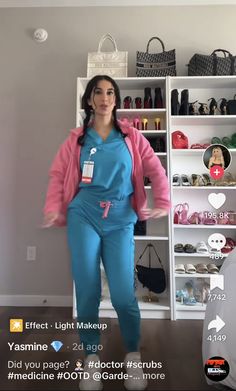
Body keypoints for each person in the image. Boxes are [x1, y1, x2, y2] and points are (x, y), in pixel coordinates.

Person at [43, 75, 171, 390]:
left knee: (123, 293)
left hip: (120, 219)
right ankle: (91, 357)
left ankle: (132, 356)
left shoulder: (132, 136)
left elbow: (155, 169)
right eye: (98, 92)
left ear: (116, 99)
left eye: (110, 92)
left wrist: (164, 201)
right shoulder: (76, 139)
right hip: (83, 215)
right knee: (87, 290)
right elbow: (59, 174)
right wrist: (53, 206)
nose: (104, 97)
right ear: (89, 100)